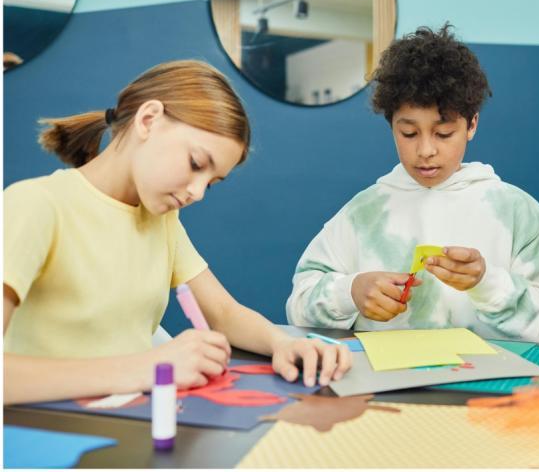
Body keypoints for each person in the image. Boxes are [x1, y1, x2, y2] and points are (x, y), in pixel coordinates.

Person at [4, 60, 351, 405]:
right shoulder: (35, 205)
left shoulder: (162, 219)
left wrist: (284, 344)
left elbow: (223, 313)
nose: (197, 193)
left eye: (211, 184)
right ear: (148, 119)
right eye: (196, 164)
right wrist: (149, 366)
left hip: (128, 423)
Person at [286, 25, 539, 342]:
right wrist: (351, 292)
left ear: (471, 124)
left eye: (443, 133)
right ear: (391, 125)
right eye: (408, 133)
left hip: (485, 385)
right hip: (382, 381)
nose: (426, 151)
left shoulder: (517, 213)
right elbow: (299, 303)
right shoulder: (363, 213)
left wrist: (487, 283)